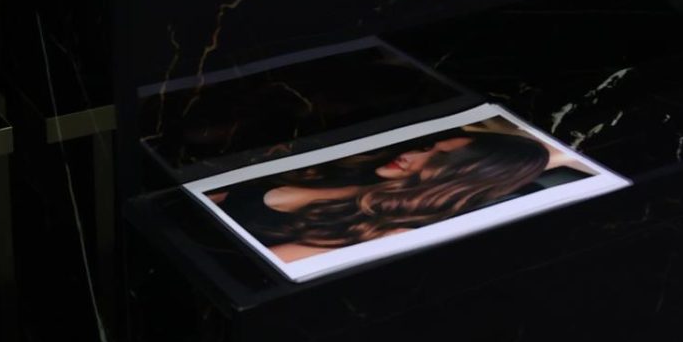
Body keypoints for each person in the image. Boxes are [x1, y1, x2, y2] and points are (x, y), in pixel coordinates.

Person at [222, 121, 556, 265]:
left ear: (457, 181)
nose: (411, 155)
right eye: (428, 147)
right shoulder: (357, 169)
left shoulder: (383, 231)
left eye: (437, 160)